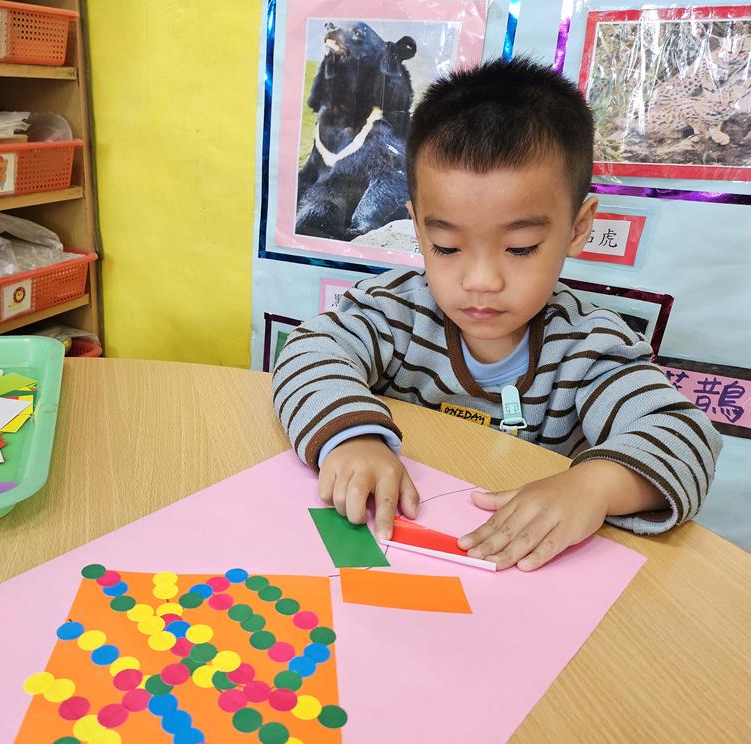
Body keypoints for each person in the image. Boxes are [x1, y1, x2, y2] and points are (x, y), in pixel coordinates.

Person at [272, 57, 722, 571]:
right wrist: (352, 437)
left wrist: (593, 486)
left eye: (521, 247)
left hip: (521, 572)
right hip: (391, 551)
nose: (481, 281)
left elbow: (684, 437)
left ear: (578, 228)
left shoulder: (591, 347)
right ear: (417, 227)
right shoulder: (394, 312)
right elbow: (309, 350)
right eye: (446, 247)